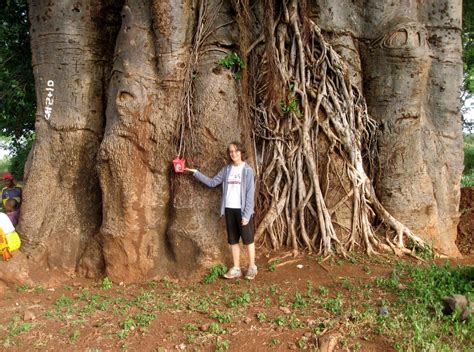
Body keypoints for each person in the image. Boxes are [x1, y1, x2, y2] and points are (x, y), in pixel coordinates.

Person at [186, 142, 257, 280]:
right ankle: (236, 268)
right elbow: (212, 182)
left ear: (241, 152)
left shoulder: (247, 170)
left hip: (242, 211)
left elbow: (250, 194)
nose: (233, 154)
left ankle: (252, 267)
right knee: (233, 240)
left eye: (236, 151)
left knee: (248, 240)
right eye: (231, 151)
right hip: (229, 209)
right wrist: (196, 173)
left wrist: (247, 214)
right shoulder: (227, 170)